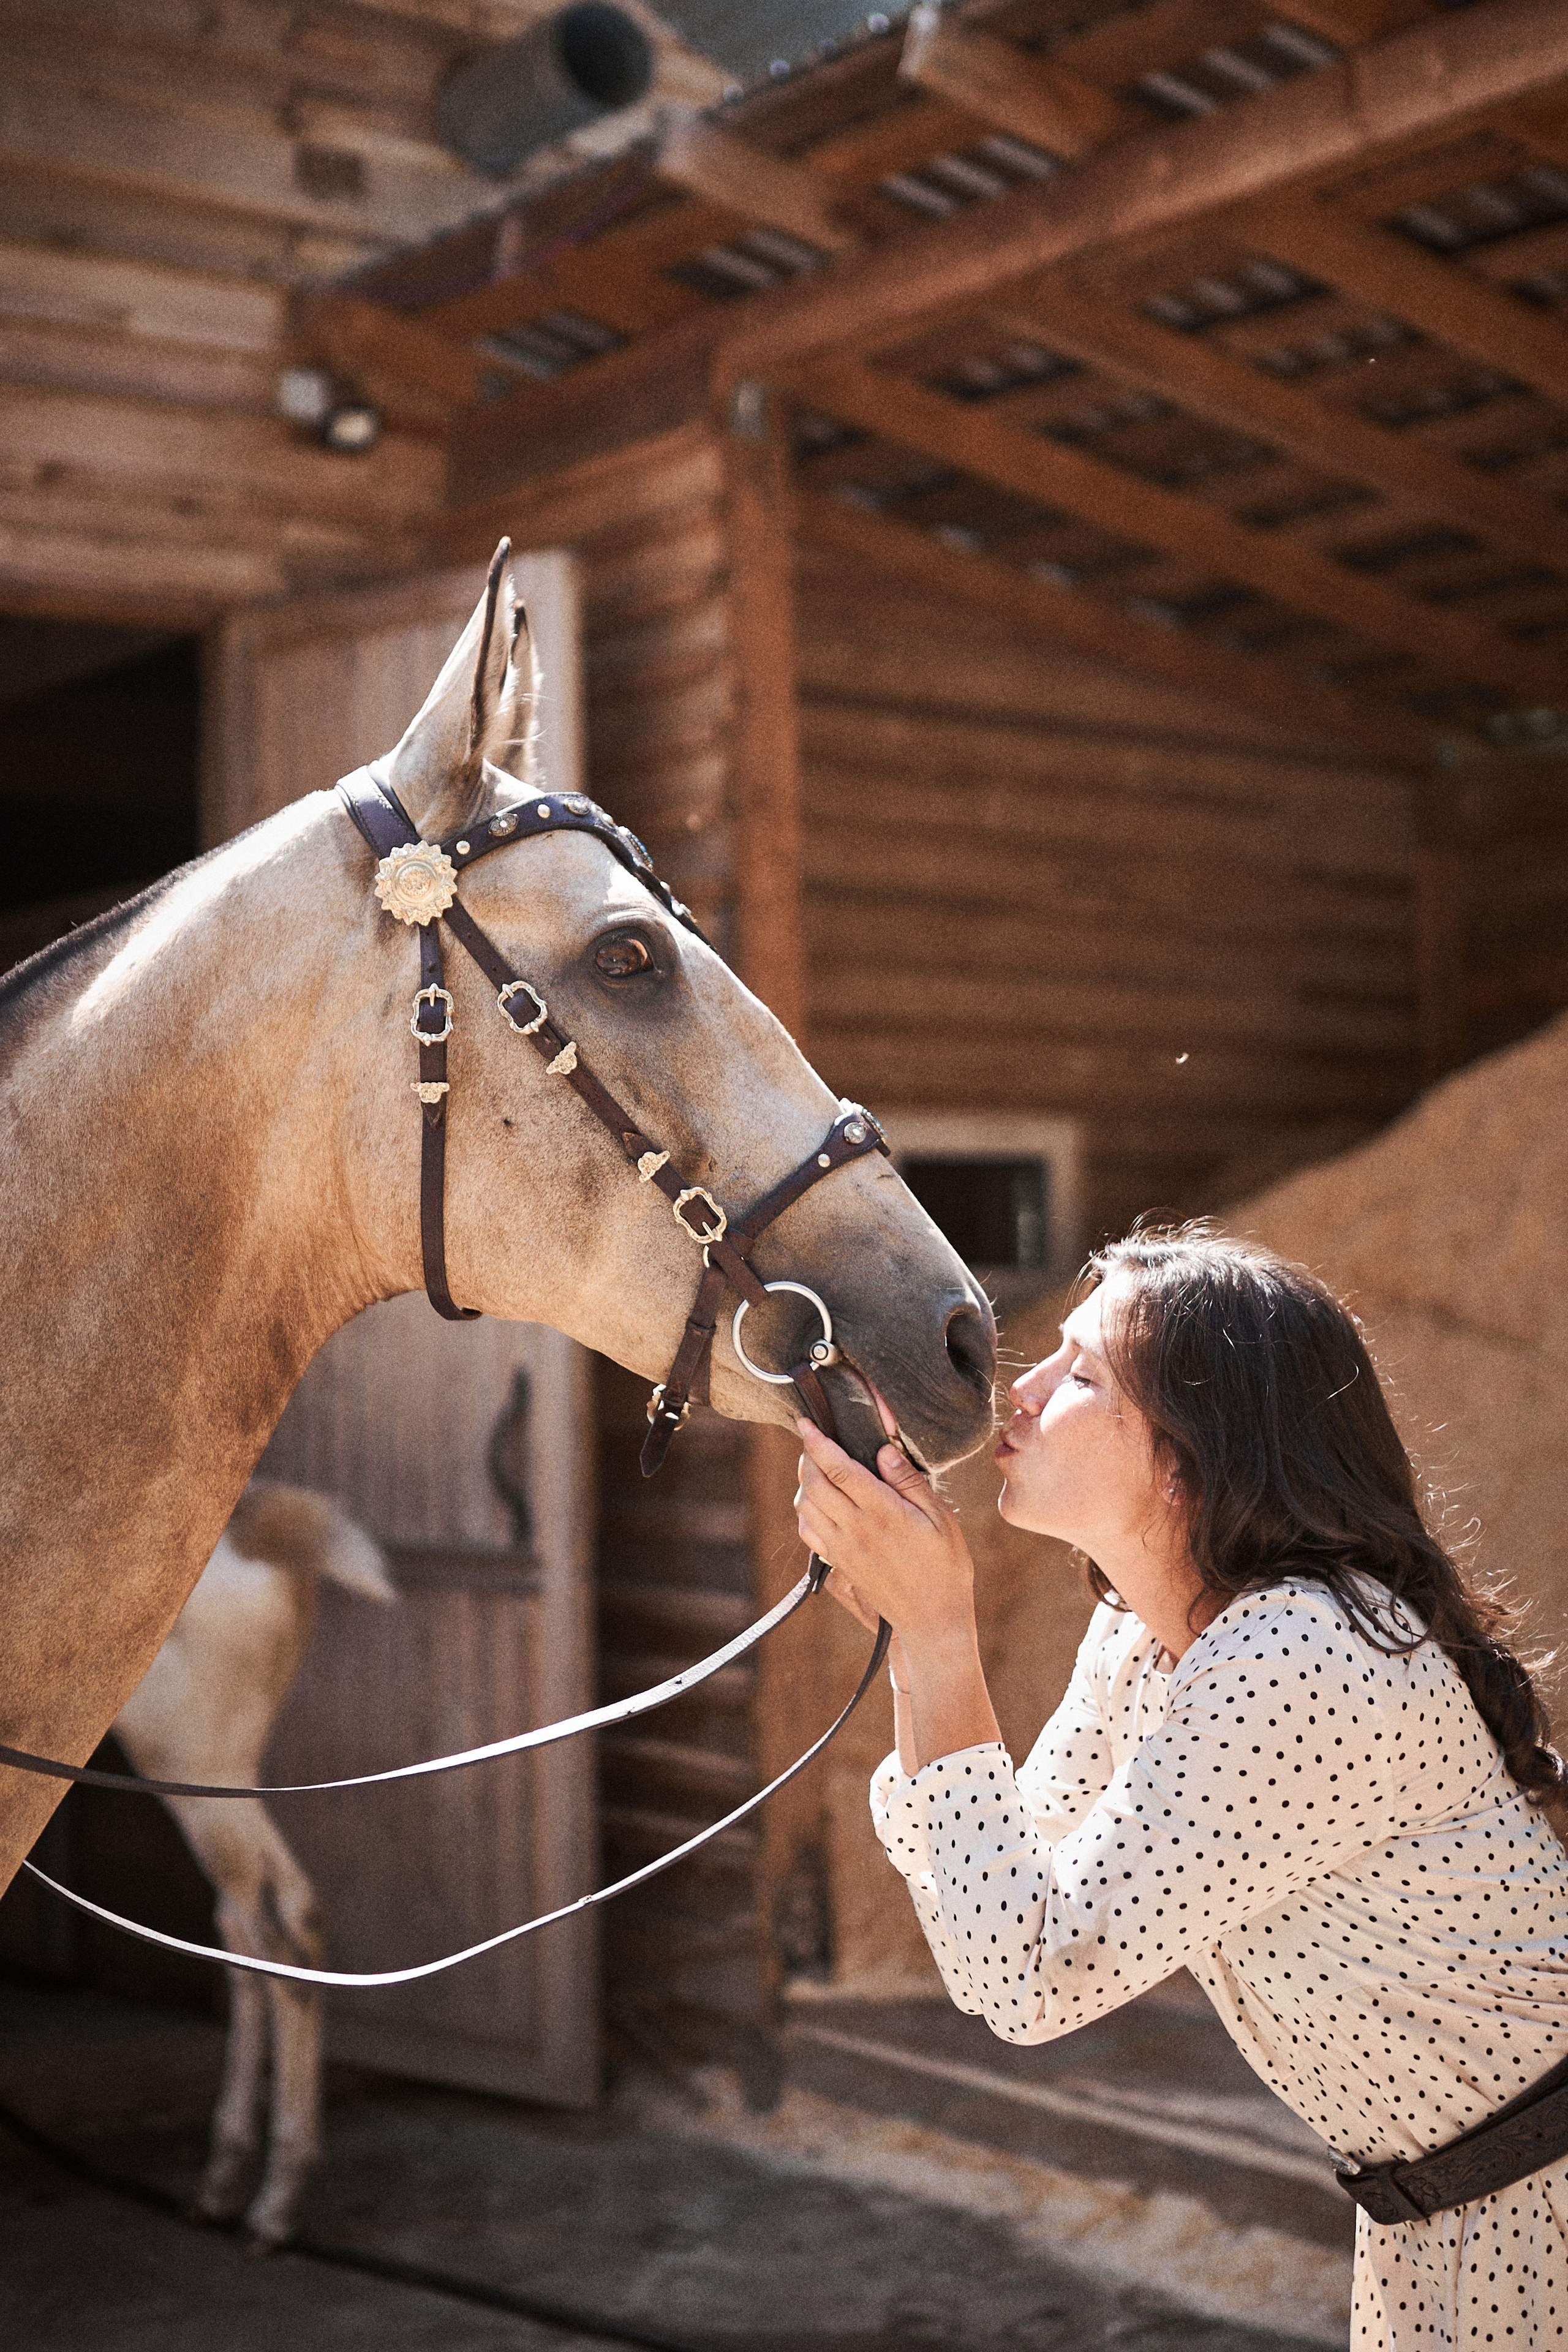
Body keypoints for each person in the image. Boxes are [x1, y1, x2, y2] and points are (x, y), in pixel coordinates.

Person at [794, 1227, 1568, 2351]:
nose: (1027, 1386)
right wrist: (919, 1647)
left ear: (1184, 1463)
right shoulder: (1143, 1640)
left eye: (1084, 1374)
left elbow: (1028, 1974)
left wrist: (941, 1636)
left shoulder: (1297, 1658)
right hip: (1441, 2219)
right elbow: (1002, 1898)